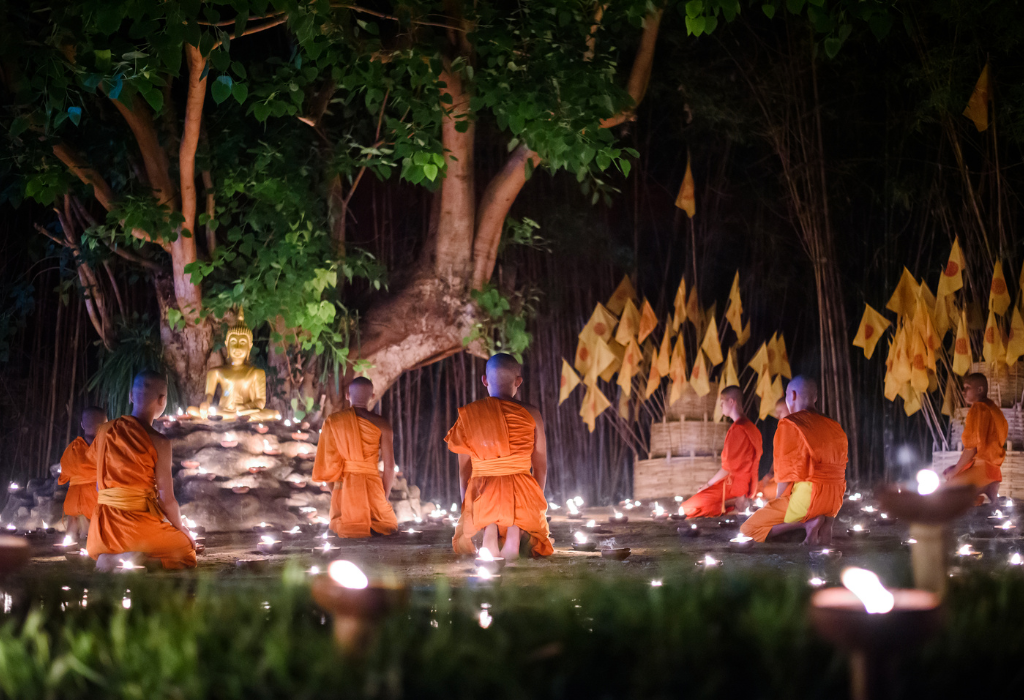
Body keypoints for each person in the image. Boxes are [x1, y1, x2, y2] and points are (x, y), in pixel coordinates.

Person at [447, 353, 553, 560]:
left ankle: (490, 531)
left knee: (482, 487)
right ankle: (514, 532)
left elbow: (464, 473)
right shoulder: (532, 413)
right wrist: (533, 506)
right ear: (518, 381)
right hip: (522, 498)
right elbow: (541, 467)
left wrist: (469, 512)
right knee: (520, 492)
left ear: (484, 380)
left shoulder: (469, 414)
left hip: (483, 500)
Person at [86, 370, 196, 570]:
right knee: (186, 551)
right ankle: (135, 558)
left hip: (102, 534)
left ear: (130, 395)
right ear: (162, 400)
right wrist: (182, 530)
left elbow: (97, 486)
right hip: (136, 528)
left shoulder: (104, 431)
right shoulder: (159, 442)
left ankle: (114, 557)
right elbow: (167, 499)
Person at [740, 376, 847, 545]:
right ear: (815, 397)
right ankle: (824, 526)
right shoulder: (835, 425)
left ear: (793, 395)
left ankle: (806, 523)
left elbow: (785, 473)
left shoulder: (791, 423)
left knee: (748, 529)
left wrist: (777, 506)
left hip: (809, 499)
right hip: (834, 501)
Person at [313, 377, 398, 538]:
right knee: (386, 525)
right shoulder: (382, 424)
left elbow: (327, 465)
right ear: (372, 396)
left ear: (347, 395)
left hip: (344, 490)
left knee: (345, 525)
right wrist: (384, 497)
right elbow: (389, 466)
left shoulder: (334, 422)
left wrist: (337, 495)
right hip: (374, 490)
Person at [680, 386, 762, 517]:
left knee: (686, 508)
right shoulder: (752, 428)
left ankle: (734, 502)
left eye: (722, 403)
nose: (720, 406)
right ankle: (732, 503)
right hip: (745, 486)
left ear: (731, 402)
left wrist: (708, 485)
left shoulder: (738, 429)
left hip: (732, 486)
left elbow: (728, 468)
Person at [943, 373, 1007, 505]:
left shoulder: (978, 408)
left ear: (980, 390)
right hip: (994, 470)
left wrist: (955, 471)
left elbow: (971, 449)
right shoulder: (994, 409)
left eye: (967, 387)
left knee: (944, 493)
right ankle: (978, 495)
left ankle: (975, 495)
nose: (963, 391)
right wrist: (959, 469)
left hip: (982, 471)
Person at [58, 407, 106, 543]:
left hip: (73, 501)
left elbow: (64, 474)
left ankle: (71, 537)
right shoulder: (107, 447)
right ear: (105, 425)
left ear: (82, 425)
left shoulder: (73, 448)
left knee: (74, 512)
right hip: (96, 499)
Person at [755, 398, 791, 500]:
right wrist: (770, 473)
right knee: (759, 487)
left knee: (767, 490)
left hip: (790, 478)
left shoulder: (795, 432)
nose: (778, 416)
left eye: (780, 412)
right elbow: (776, 459)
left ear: (790, 408)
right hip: (778, 477)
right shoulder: (782, 432)